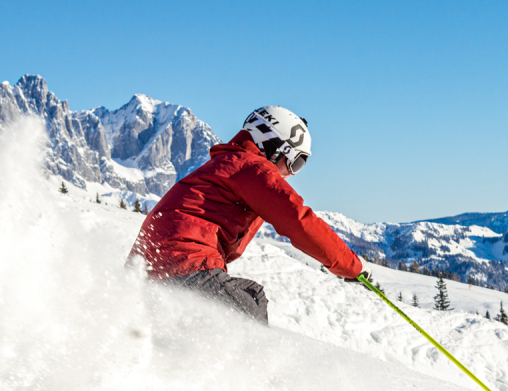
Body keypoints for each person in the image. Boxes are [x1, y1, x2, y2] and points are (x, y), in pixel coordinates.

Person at [127, 106, 372, 324]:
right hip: (186, 263)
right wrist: (352, 267)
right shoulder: (252, 168)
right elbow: (298, 221)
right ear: (275, 147)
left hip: (152, 269)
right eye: (295, 163)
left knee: (252, 295)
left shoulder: (226, 164)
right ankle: (249, 372)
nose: (292, 174)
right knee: (247, 314)